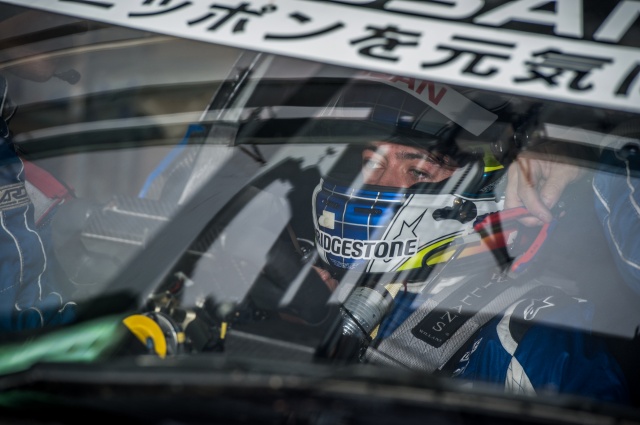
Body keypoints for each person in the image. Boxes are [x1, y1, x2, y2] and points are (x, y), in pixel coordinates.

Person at [308, 72, 630, 404]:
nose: (378, 184)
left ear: (490, 188)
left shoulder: (531, 339)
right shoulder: (304, 283)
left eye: (419, 170)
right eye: (371, 162)